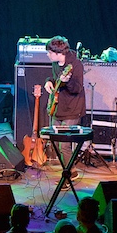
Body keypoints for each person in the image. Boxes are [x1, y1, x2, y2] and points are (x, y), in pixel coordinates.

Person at [42, 35, 86, 166]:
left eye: (50, 53)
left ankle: (70, 174)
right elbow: (55, 78)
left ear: (58, 53)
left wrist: (68, 82)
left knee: (64, 146)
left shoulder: (76, 64)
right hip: (58, 107)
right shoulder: (56, 64)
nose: (48, 55)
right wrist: (48, 81)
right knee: (54, 141)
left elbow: (77, 88)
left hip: (72, 109)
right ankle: (66, 170)